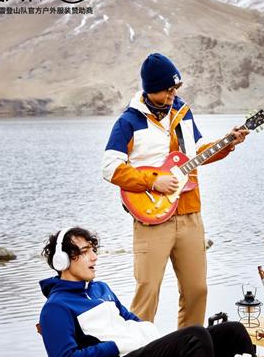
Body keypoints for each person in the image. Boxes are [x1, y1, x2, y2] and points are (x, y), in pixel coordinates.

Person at [38, 227, 264, 357]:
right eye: (85, 251)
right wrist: (114, 346)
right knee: (194, 336)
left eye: (93, 249)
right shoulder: (56, 308)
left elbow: (129, 319)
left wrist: (146, 336)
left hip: (143, 356)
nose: (94, 257)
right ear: (63, 261)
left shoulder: (100, 289)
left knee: (232, 331)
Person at [101, 53, 248, 328]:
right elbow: (110, 168)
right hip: (151, 218)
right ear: (149, 89)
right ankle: (139, 352)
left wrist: (228, 143)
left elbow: (197, 152)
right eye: (167, 89)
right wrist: (152, 182)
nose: (172, 94)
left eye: (175, 88)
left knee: (197, 291)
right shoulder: (128, 122)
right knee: (147, 293)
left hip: (190, 213)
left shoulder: (183, 112)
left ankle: (190, 349)